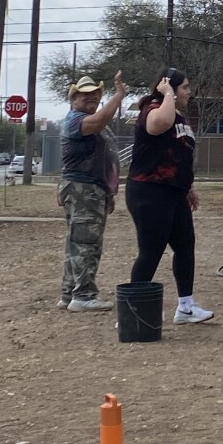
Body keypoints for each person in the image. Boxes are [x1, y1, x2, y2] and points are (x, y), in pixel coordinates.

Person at [126, 68, 213, 325]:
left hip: (174, 193)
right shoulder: (153, 109)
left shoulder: (178, 117)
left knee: (185, 246)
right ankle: (133, 313)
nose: (189, 91)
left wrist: (188, 188)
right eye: (184, 87)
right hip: (150, 192)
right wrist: (166, 95)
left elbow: (180, 154)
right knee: (151, 250)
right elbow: (158, 126)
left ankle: (186, 307)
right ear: (169, 88)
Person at [58, 72, 128, 312]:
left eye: (96, 94)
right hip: (83, 189)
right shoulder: (76, 120)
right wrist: (119, 96)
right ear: (74, 98)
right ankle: (84, 295)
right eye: (85, 94)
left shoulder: (85, 120)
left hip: (90, 189)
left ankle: (69, 293)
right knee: (87, 243)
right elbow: (98, 122)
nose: (92, 97)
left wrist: (108, 193)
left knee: (77, 242)